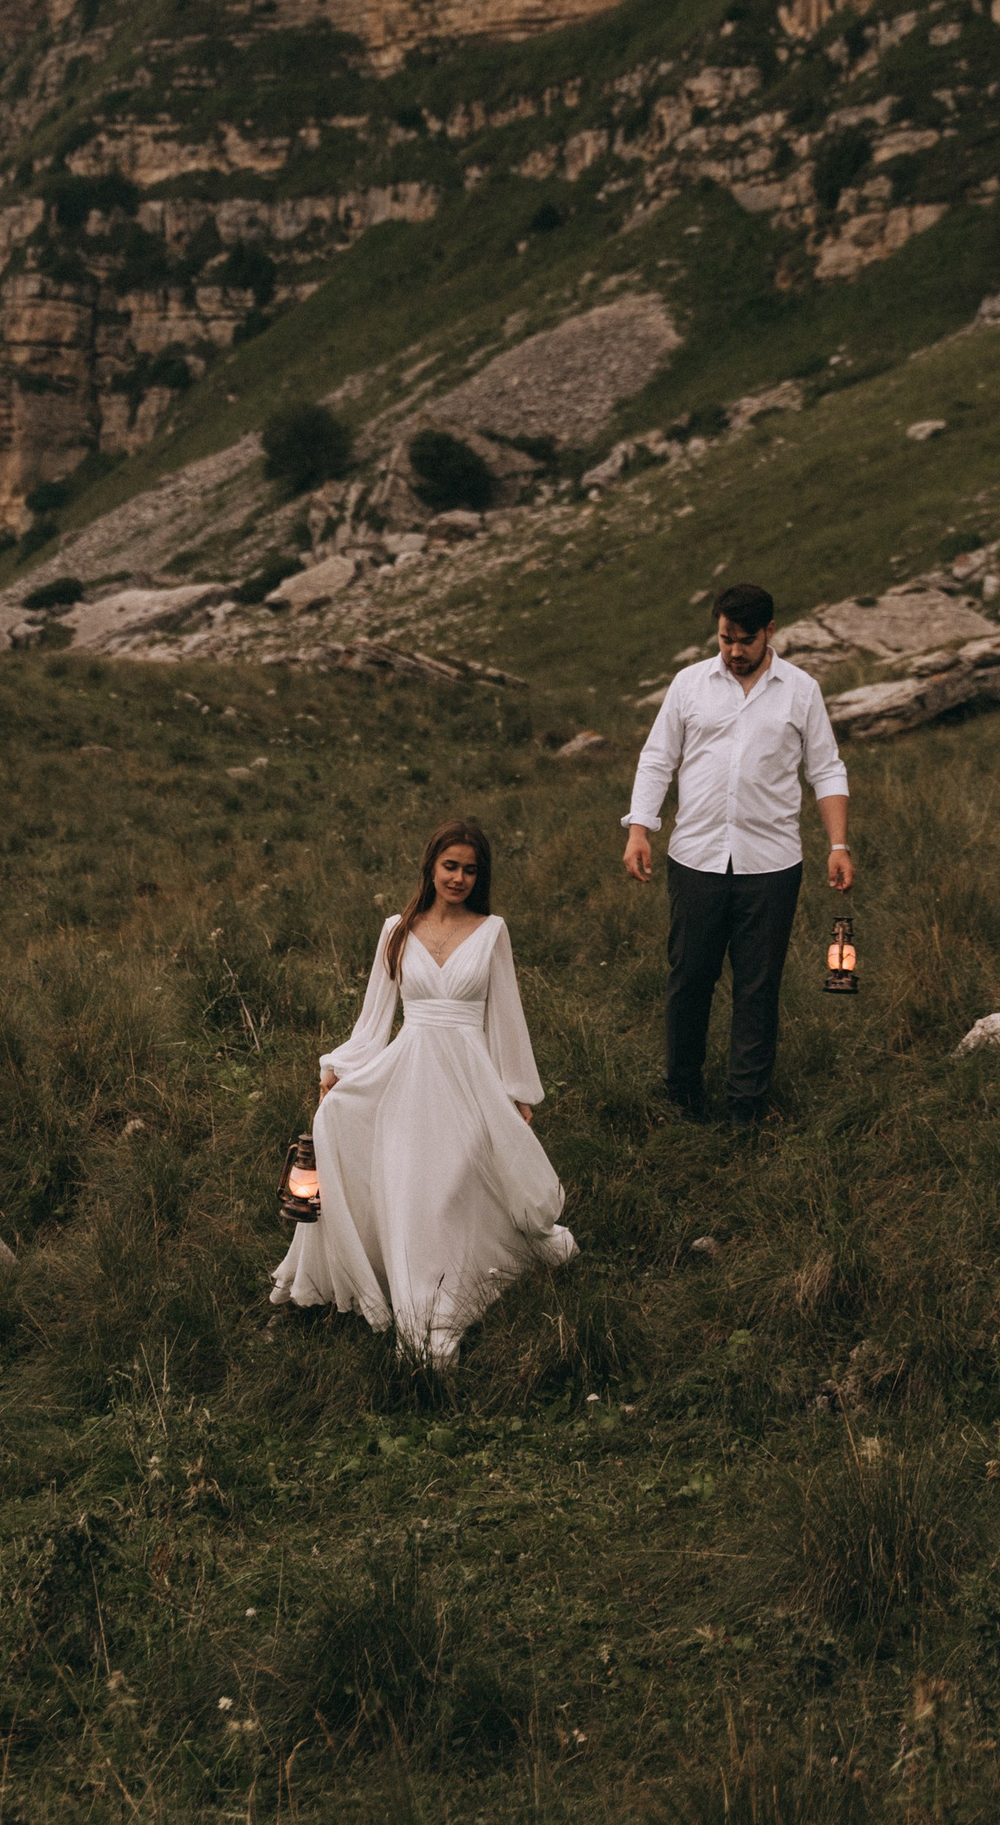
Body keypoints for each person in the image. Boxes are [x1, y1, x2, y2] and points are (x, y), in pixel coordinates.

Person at [271, 818, 577, 1364]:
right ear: (431, 867)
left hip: (468, 1074)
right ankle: (418, 1296)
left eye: (469, 869)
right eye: (450, 866)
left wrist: (517, 1092)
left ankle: (446, 1291)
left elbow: (506, 1018)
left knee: (454, 1180)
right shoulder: (397, 928)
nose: (458, 878)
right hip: (410, 1070)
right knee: (409, 1178)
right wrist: (339, 1068)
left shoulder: (491, 930)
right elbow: (374, 1020)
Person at [623, 582, 851, 1126]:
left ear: (770, 632)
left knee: (757, 986)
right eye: (725, 638)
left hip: (772, 864)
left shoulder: (801, 691)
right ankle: (681, 1096)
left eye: (745, 640)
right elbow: (658, 759)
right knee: (688, 978)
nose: (733, 651)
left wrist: (838, 845)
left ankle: (745, 1108)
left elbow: (826, 769)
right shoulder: (688, 685)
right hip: (695, 858)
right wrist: (639, 829)